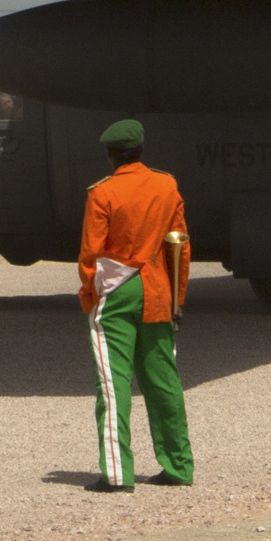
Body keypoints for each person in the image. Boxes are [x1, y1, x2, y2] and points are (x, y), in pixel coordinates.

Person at [78, 119, 192, 494]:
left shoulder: (102, 192)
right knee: (163, 380)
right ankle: (178, 466)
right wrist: (177, 298)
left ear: (112, 155)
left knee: (113, 384)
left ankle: (116, 474)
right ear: (140, 150)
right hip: (159, 290)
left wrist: (89, 296)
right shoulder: (167, 184)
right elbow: (179, 245)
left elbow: (91, 254)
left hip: (117, 293)